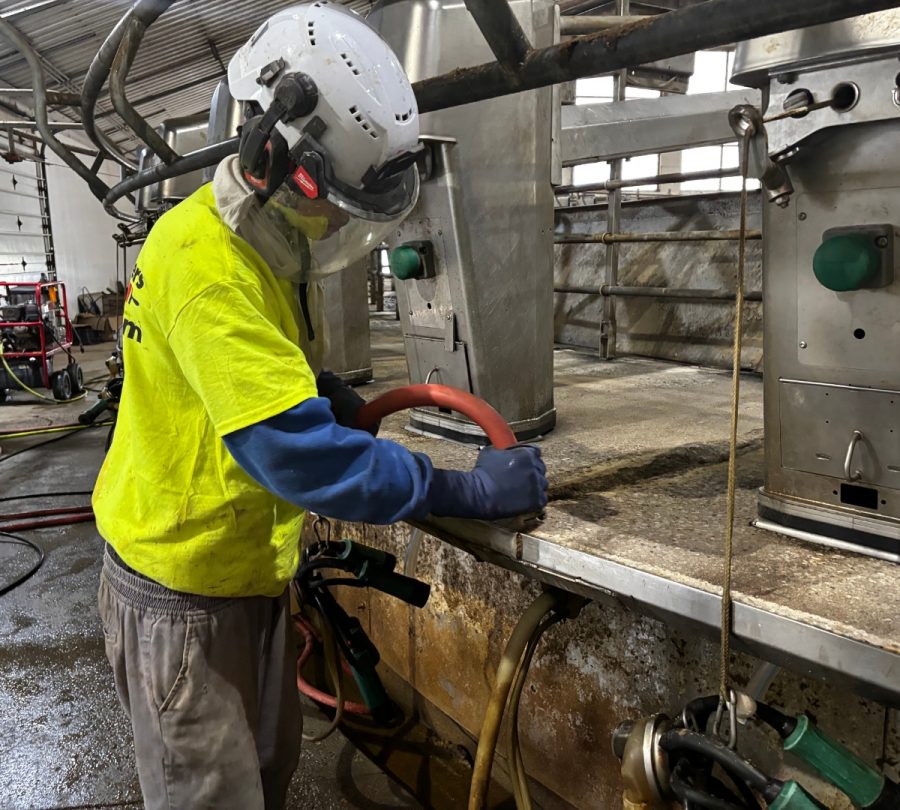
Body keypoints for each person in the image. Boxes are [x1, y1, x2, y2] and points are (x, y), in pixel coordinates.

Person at [92, 4, 548, 809]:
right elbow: (294, 453)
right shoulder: (211, 270)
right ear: (269, 153)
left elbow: (271, 375)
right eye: (332, 199)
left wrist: (327, 393)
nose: (337, 218)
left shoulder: (255, 243)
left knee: (260, 780)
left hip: (236, 575)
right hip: (184, 593)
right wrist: (459, 489)